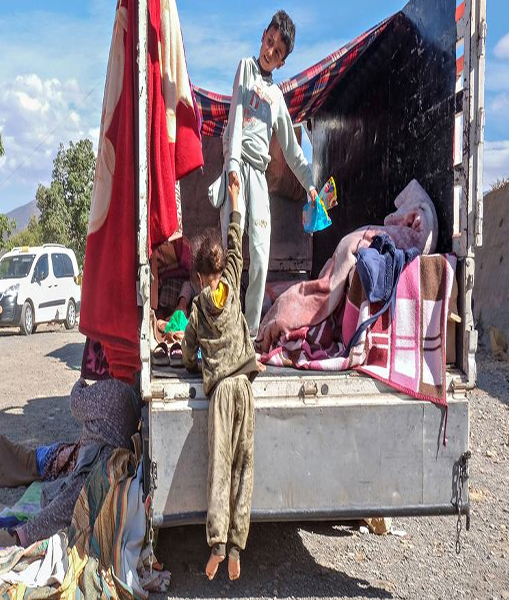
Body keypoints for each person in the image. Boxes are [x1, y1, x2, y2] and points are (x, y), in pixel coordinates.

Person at [182, 179, 263, 581]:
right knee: (244, 468)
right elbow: (236, 242)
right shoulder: (231, 282)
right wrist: (235, 201)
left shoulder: (197, 309)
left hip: (219, 393)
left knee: (219, 467)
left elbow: (185, 351)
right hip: (245, 389)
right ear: (222, 270)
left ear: (199, 277)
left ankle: (215, 544)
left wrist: (190, 362)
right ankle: (236, 546)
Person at [222, 10, 319, 337]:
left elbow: (292, 150)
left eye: (278, 52)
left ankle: (247, 332)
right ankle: (224, 324)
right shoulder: (245, 69)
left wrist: (310, 185)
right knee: (231, 250)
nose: (270, 51)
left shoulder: (277, 99)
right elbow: (236, 115)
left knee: (261, 256)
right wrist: (232, 164)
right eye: (270, 42)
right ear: (263, 35)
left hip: (259, 177)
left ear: (282, 63)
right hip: (236, 170)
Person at [0, 377, 140, 548]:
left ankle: (16, 539)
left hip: (97, 463)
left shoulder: (112, 391)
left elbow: (77, 401)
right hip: (95, 457)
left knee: (65, 502)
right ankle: (5, 457)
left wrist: (81, 381)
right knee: (57, 467)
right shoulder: (129, 391)